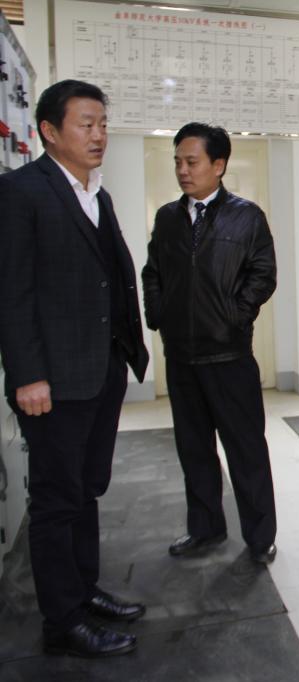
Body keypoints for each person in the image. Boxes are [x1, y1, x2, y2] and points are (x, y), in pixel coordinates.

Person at [0, 80, 149, 657]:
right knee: (56, 500)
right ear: (49, 131)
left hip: (100, 370)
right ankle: (62, 620)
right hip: (53, 380)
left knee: (86, 490)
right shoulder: (21, 192)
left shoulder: (96, 194)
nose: (98, 135)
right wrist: (27, 375)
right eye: (86, 124)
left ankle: (84, 590)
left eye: (103, 124)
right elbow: (12, 293)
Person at [141, 122, 278, 565]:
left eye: (192, 162)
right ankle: (205, 529)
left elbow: (263, 274)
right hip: (182, 357)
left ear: (218, 165)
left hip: (229, 356)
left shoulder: (246, 216)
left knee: (246, 449)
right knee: (194, 449)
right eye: (178, 162)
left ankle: (260, 537)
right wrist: (159, 316)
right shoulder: (168, 218)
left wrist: (235, 317)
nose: (183, 170)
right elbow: (153, 273)